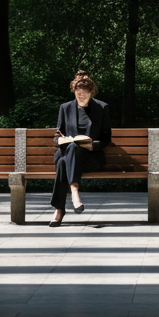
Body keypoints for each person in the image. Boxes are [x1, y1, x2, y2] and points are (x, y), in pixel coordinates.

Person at [49, 70, 112, 226]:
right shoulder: (65, 108)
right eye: (78, 93)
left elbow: (106, 138)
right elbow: (57, 134)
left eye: (84, 93)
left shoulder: (101, 108)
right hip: (69, 154)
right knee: (71, 147)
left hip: (90, 158)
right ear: (74, 91)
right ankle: (74, 190)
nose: (81, 96)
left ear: (91, 92)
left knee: (63, 162)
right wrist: (60, 140)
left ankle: (59, 209)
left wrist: (92, 145)